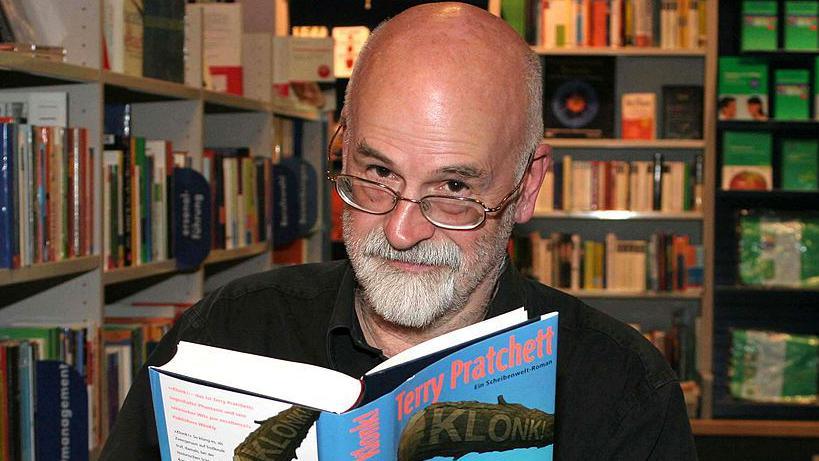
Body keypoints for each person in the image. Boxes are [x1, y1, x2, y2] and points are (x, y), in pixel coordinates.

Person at [100, 3, 697, 459]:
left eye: (456, 189)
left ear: (528, 186)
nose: (402, 228)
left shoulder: (623, 392)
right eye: (378, 172)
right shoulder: (228, 331)